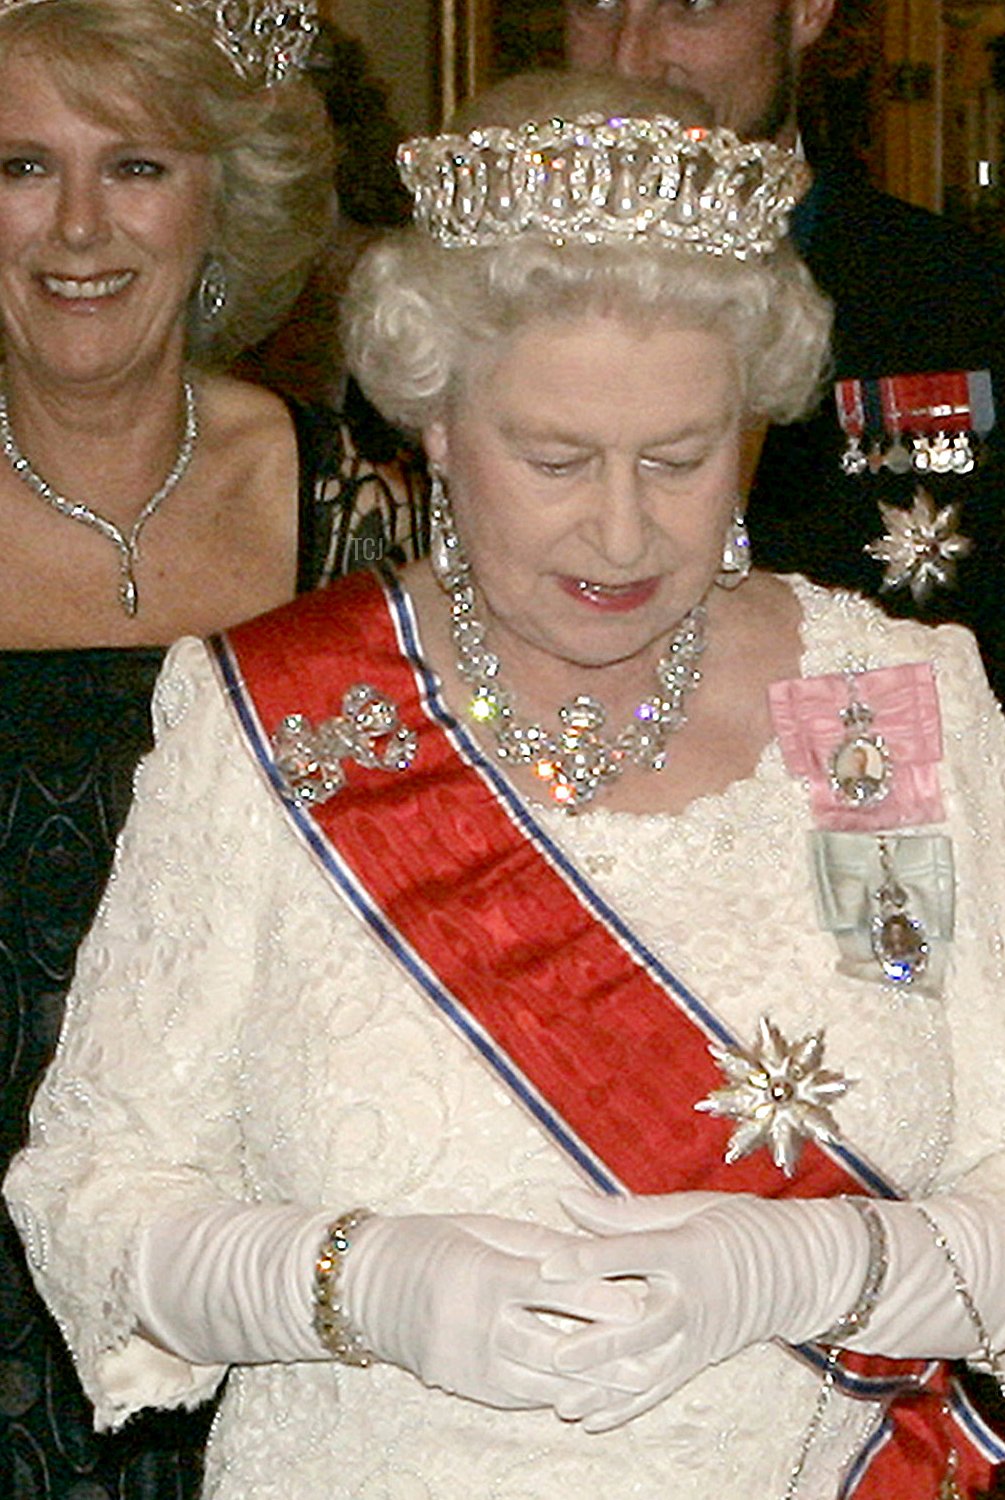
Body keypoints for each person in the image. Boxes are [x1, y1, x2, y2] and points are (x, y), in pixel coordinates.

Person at [5, 74, 1005, 1500]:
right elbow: (91, 1197)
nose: (621, 530)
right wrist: (357, 1287)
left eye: (682, 459)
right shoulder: (279, 722)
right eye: (552, 458)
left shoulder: (864, 708)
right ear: (431, 423)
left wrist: (817, 1260)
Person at [0, 0, 420, 1493]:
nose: (72, 227)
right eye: (17, 166)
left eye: (136, 167)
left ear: (223, 195)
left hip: (263, 1273)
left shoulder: (363, 516)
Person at [563, 0, 1005, 972]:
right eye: (597, 3)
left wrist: (925, 1023)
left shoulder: (995, 327)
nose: (635, 55)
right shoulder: (461, 343)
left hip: (898, 998)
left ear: (806, 11)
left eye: (692, 6)